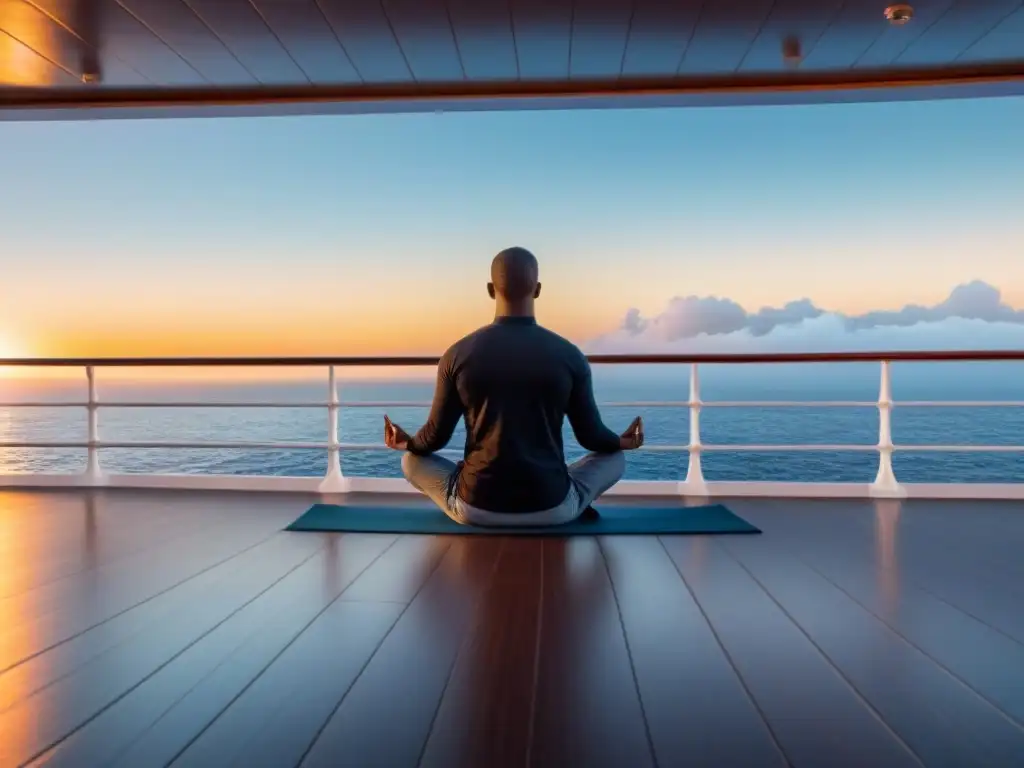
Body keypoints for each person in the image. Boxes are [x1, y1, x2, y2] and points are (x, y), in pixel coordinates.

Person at [383, 246, 644, 527]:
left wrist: (406, 442)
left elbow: (434, 438)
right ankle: (574, 502)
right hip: (552, 507)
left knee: (410, 461)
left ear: (490, 289)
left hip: (476, 506)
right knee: (615, 459)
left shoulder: (457, 354)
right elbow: (591, 437)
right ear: (538, 289)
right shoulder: (569, 355)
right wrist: (622, 442)